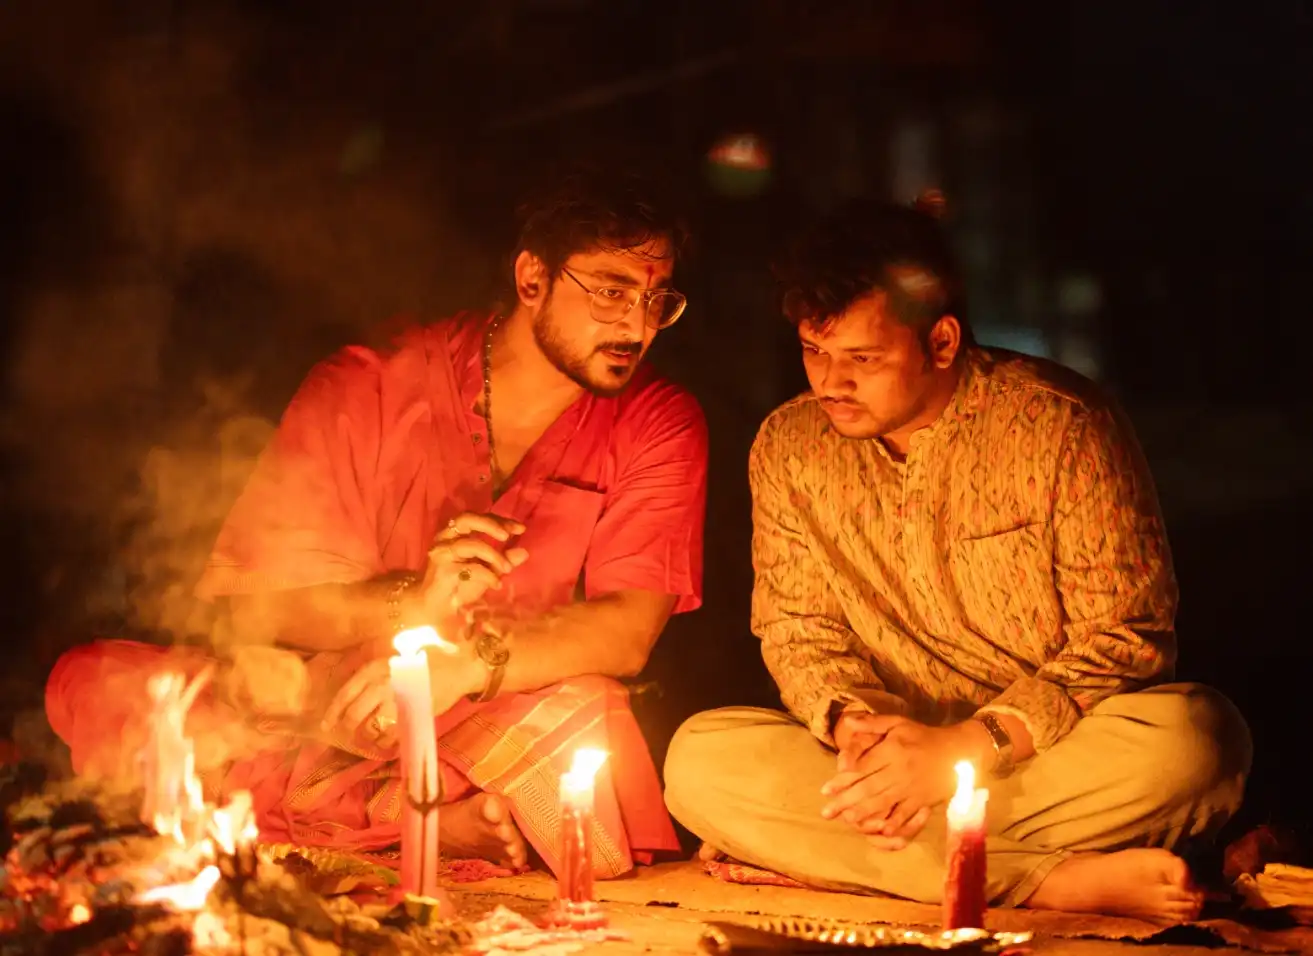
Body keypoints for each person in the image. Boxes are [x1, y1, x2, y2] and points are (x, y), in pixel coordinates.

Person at [46, 166, 707, 880]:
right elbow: (266, 610)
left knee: (590, 718)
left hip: (501, 700)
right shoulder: (369, 385)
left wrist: (469, 667)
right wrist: (412, 604)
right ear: (531, 278)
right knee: (97, 682)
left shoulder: (657, 422)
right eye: (611, 291)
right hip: (324, 702)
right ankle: (411, 815)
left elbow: (627, 632)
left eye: (655, 300)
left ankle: (397, 812)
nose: (637, 325)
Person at [664, 199, 1251, 923]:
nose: (829, 383)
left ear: (940, 341)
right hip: (881, 765)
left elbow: (1126, 639)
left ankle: (870, 859)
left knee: (1196, 738)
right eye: (814, 352)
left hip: (1040, 759)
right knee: (699, 759)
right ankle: (1045, 879)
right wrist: (857, 733)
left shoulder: (1063, 425)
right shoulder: (789, 446)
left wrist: (958, 751)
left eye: (862, 358)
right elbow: (796, 628)